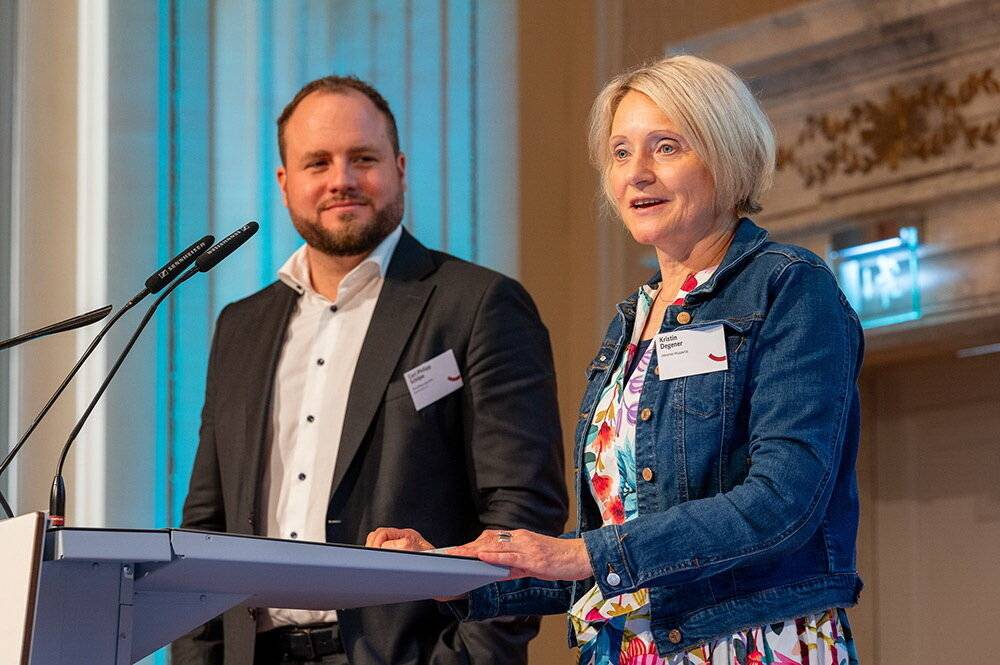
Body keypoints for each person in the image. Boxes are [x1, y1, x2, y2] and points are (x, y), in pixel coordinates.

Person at [368, 55, 864, 665]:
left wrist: (586, 555)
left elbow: (785, 500)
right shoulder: (633, 319)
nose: (638, 174)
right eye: (622, 153)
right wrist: (450, 570)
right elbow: (610, 544)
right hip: (626, 647)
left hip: (751, 643)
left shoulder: (788, 288)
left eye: (667, 147)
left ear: (725, 156)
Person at [171, 75, 568, 665]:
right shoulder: (240, 326)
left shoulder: (477, 306)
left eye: (363, 158)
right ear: (284, 184)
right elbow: (207, 526)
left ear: (400, 168)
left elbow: (522, 511)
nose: (342, 181)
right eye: (317, 163)